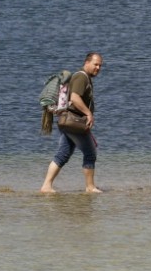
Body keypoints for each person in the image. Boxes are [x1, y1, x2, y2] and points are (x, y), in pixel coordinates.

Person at [40, 52, 104, 193]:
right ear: (86, 62)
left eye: (100, 65)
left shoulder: (82, 77)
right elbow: (75, 98)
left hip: (67, 122)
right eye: (95, 64)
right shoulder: (81, 77)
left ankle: (46, 186)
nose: (98, 68)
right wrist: (88, 113)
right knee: (90, 153)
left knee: (63, 154)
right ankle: (90, 187)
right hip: (74, 122)